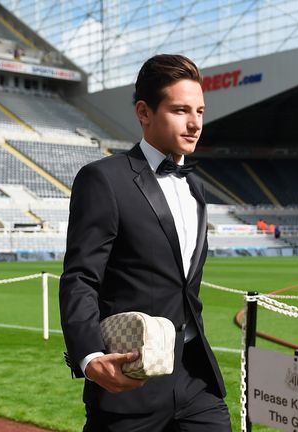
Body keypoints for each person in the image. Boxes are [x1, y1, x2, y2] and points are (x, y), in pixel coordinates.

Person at [59, 54, 231, 432]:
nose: (195, 123)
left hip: (196, 379)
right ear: (144, 112)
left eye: (200, 111)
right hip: (130, 381)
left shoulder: (197, 189)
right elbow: (80, 278)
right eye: (180, 110)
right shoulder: (103, 179)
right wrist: (89, 357)